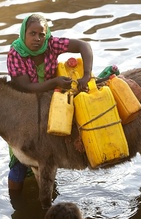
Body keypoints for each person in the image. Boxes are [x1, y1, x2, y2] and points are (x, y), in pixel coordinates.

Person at [6, 14, 94, 193]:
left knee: (49, 155)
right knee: (20, 162)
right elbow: (26, 87)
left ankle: (47, 193)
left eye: (41, 34)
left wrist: (87, 74)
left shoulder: (51, 44)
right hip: (23, 109)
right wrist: (55, 83)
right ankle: (16, 201)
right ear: (24, 33)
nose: (37, 39)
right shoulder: (16, 53)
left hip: (49, 105)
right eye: (32, 33)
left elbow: (83, 46)